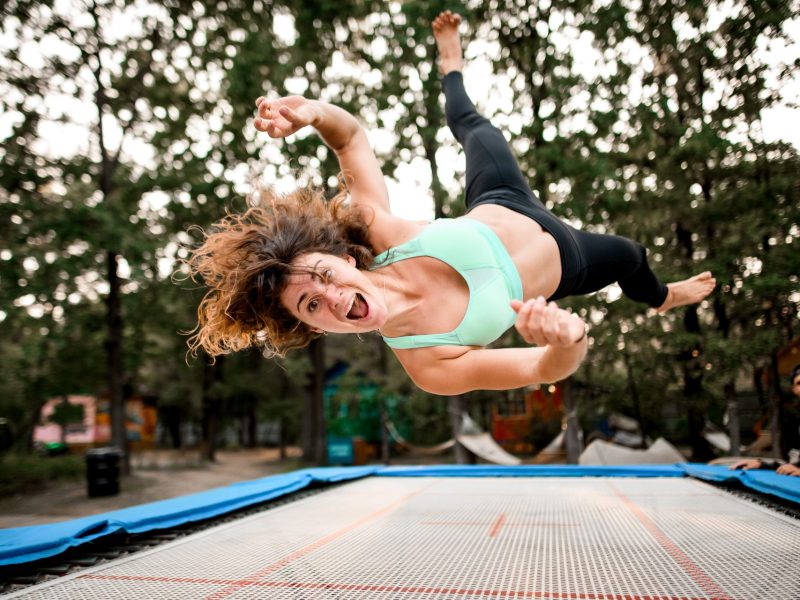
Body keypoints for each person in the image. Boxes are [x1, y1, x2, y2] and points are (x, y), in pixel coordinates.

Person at [187, 11, 715, 395]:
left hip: (503, 200)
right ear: (316, 329)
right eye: (311, 306)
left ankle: (451, 66)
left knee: (473, 126)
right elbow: (542, 369)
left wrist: (311, 113)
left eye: (323, 276)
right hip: (570, 261)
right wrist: (567, 340)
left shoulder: (374, 234)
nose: (331, 298)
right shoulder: (428, 362)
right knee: (632, 255)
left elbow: (350, 141)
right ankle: (662, 296)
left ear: (345, 259)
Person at [730, 363, 800, 476]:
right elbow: (792, 466)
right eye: (799, 383)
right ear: (794, 389)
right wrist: (762, 464)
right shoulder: (792, 422)